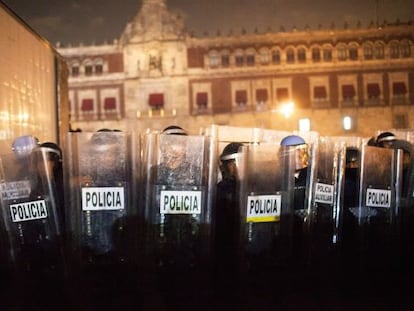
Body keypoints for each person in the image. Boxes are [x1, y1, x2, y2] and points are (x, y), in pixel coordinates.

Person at [214, 142, 243, 299]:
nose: (237, 168)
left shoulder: (255, 185)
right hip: (226, 248)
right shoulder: (220, 190)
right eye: (233, 164)